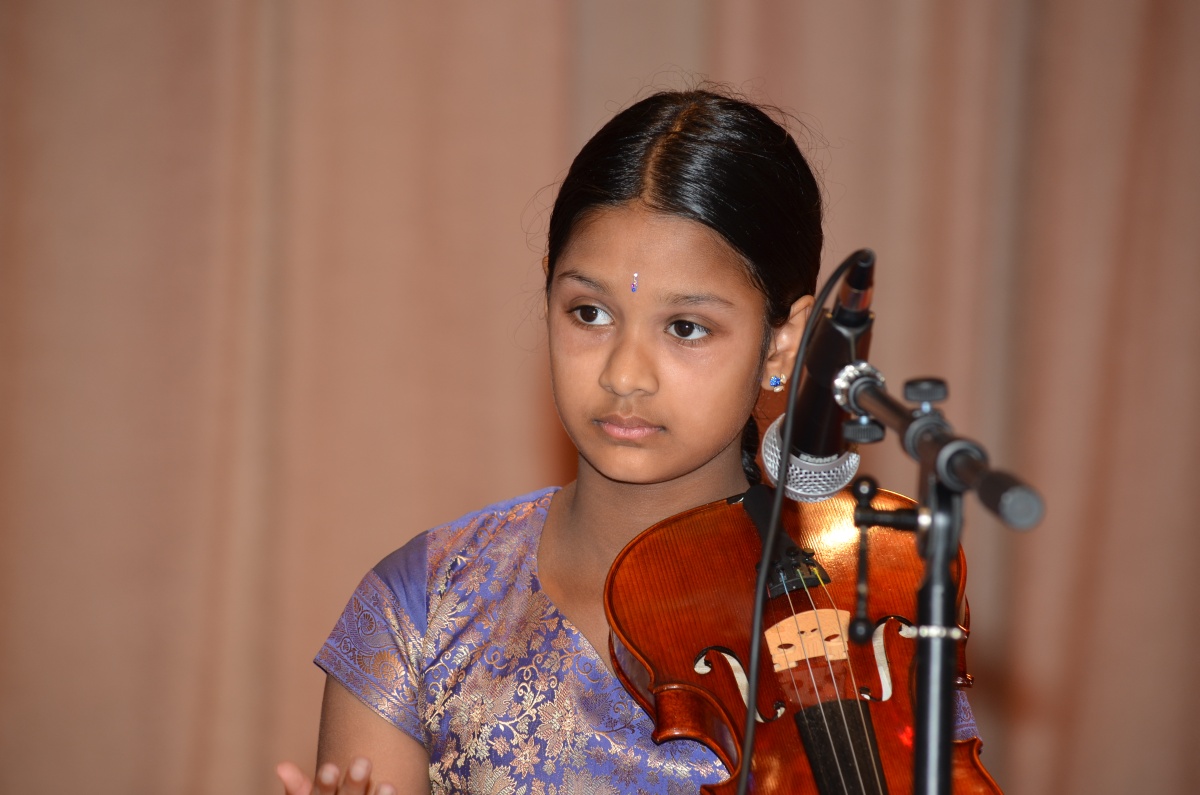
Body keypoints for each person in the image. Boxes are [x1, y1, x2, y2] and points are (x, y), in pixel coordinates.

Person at [276, 88, 976, 795]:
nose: (624, 374)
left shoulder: (861, 611)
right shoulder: (426, 606)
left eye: (686, 328)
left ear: (784, 342)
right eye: (589, 312)